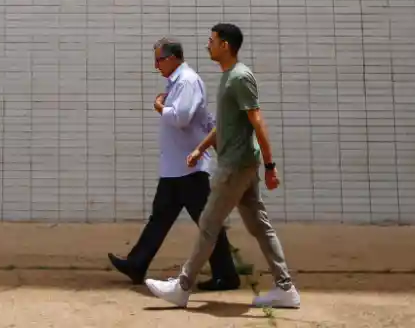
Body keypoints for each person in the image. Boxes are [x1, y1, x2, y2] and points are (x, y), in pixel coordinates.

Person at [146, 23, 301, 310]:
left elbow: (257, 121)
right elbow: (226, 125)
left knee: (208, 224)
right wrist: (200, 148)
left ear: (225, 45)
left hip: (235, 166)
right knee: (259, 226)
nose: (208, 45)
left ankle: (182, 287)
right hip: (241, 164)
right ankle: (285, 288)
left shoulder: (239, 77)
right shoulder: (229, 77)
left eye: (212, 40)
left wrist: (270, 165)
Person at [107, 38, 240, 290]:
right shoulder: (179, 82)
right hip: (176, 167)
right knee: (160, 216)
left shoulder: (187, 81)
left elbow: (182, 117)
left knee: (207, 222)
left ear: (173, 58)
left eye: (159, 60)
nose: (156, 65)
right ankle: (137, 263)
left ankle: (226, 274)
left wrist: (160, 107)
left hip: (189, 168)